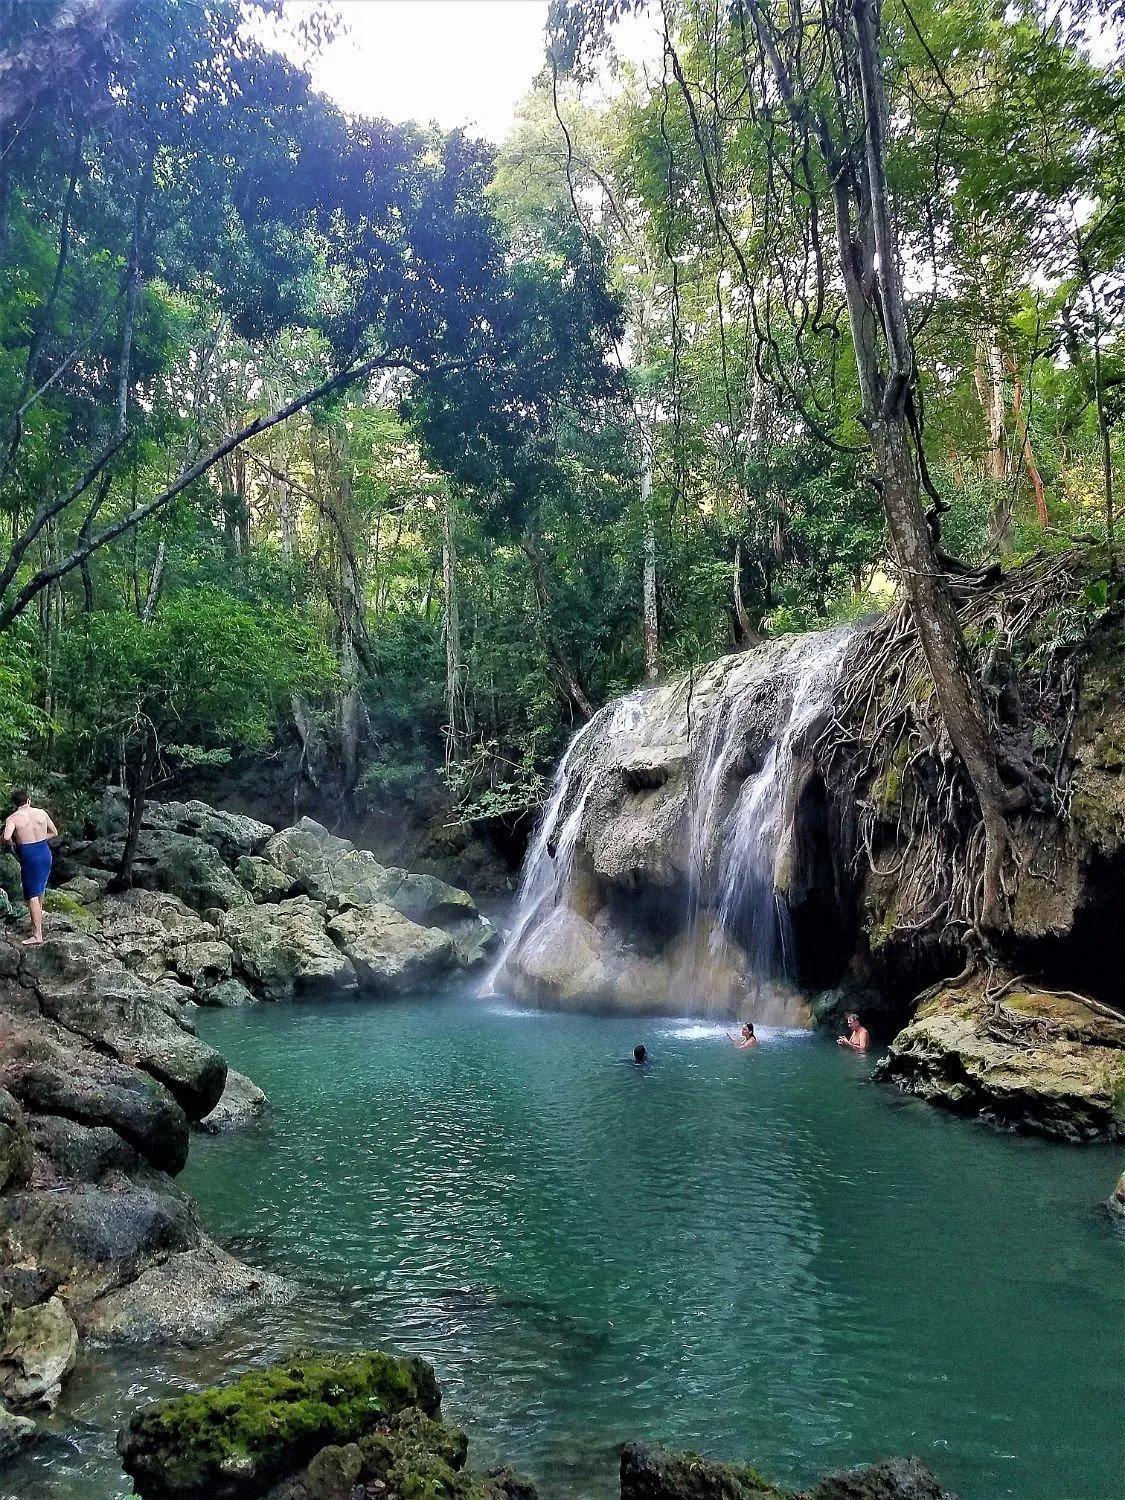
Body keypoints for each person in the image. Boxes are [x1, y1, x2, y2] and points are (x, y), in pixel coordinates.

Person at [2, 789, 57, 947]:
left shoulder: (12, 818)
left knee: (31, 894)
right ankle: (39, 916)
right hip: (44, 852)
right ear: (28, 800)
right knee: (40, 887)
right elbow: (54, 832)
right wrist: (39, 840)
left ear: (15, 803)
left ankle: (37, 934)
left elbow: (6, 837)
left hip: (29, 855)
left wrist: (13, 844)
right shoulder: (41, 813)